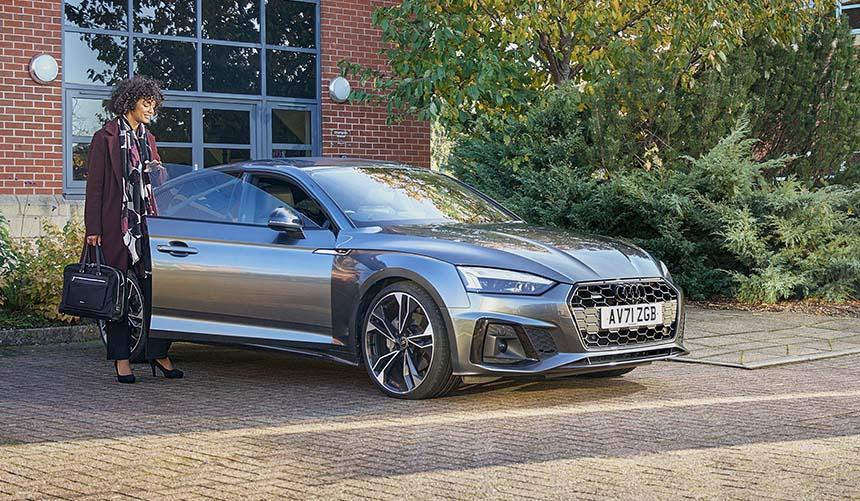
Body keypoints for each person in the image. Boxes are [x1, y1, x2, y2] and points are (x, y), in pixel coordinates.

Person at [84, 75, 183, 384]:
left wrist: (159, 171)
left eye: (154, 105)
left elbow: (159, 184)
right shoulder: (106, 137)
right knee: (118, 293)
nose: (151, 110)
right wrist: (93, 228)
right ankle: (121, 359)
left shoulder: (148, 138)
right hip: (116, 226)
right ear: (129, 102)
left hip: (147, 224)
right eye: (147, 104)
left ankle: (158, 354)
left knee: (155, 291)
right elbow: (95, 186)